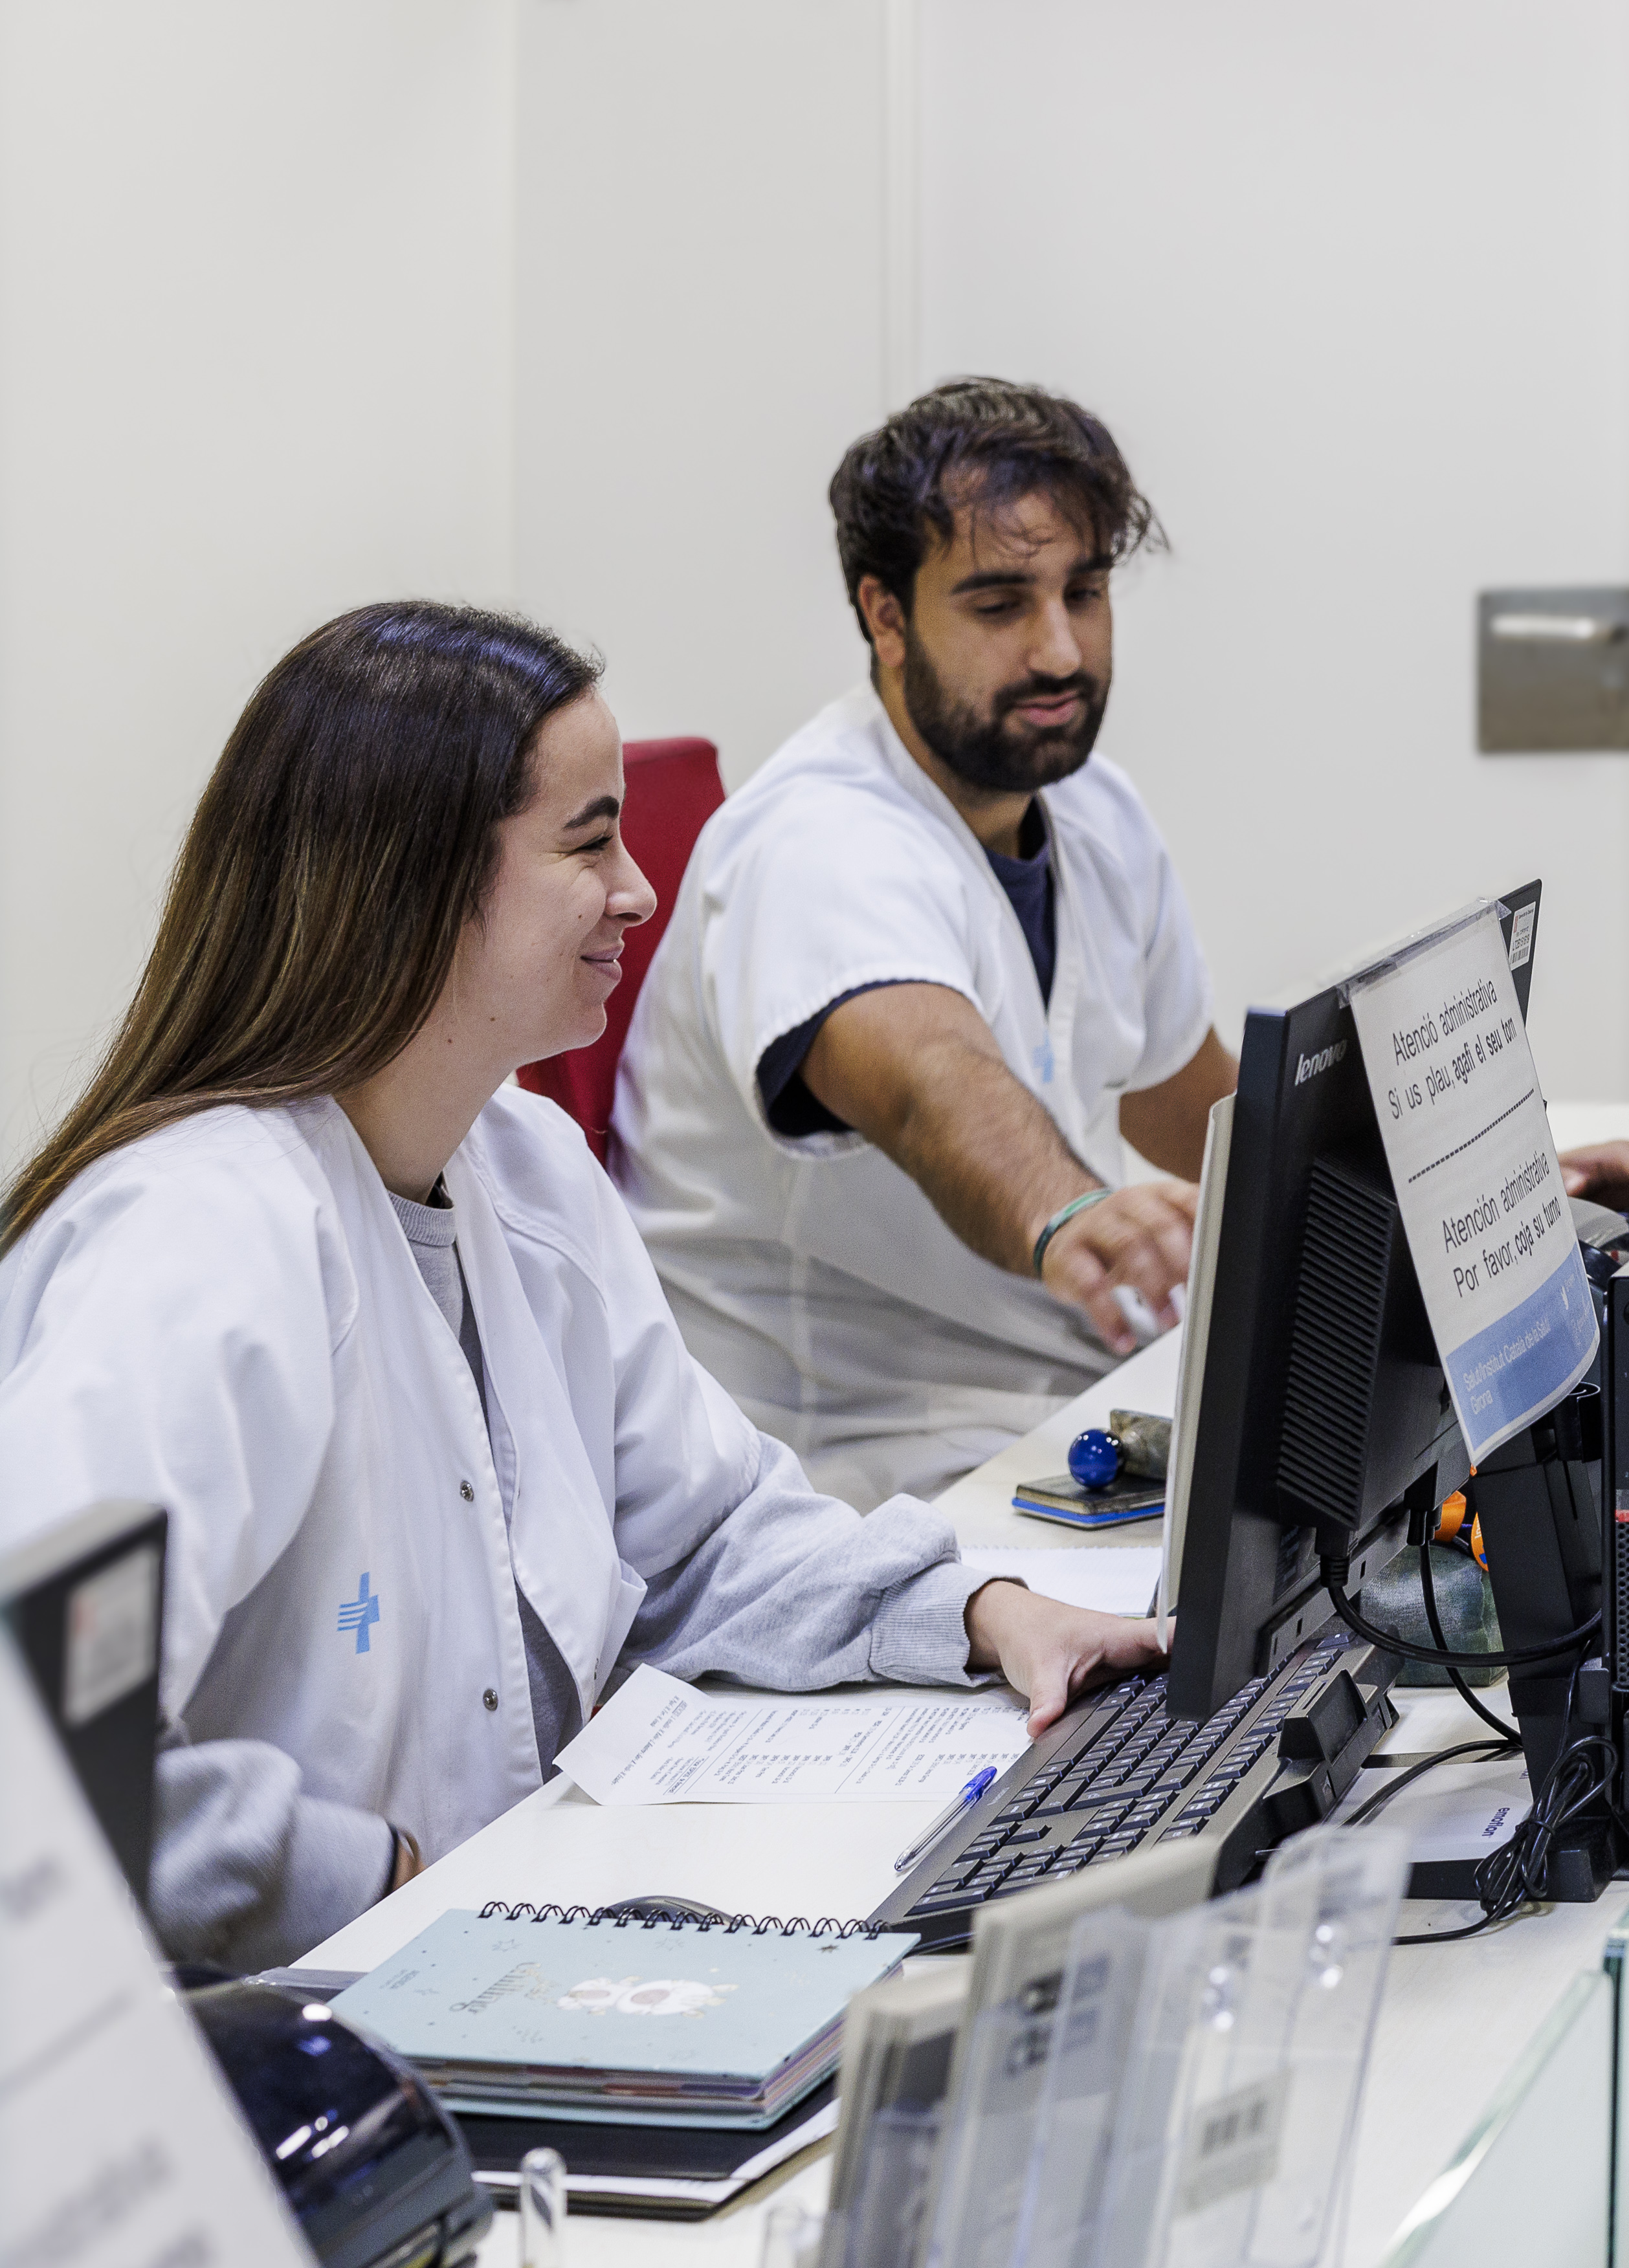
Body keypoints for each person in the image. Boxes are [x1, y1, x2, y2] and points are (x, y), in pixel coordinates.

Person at [0, 604, 1158, 1972]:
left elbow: (705, 1536)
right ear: (414, 881)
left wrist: (984, 1614)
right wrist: (375, 1878)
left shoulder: (525, 1167)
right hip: (247, 2058)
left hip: (475, 1962)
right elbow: (39, 1742)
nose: (640, 890)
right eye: (588, 839)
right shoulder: (200, 1240)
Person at [615, 379, 1629, 1508]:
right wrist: (1070, 1211)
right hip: (854, 1476)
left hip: (1059, 1418)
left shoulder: (1090, 809)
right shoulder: (816, 842)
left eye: (1083, 593)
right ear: (885, 618)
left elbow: (1194, 1108)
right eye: (998, 605)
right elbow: (922, 1076)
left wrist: (1482, 1190)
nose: (1058, 650)